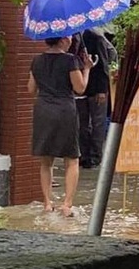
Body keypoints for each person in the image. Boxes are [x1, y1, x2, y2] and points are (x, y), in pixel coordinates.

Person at [27, 35, 94, 217]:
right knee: (71, 159)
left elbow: (31, 89)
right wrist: (87, 69)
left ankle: (48, 203)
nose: (71, 39)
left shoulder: (37, 60)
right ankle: (67, 204)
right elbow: (80, 88)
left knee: (46, 160)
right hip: (65, 110)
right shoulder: (70, 60)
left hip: (42, 110)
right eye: (69, 37)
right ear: (63, 40)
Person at [79, 27, 116, 169]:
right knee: (82, 123)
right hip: (80, 86)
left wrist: (102, 89)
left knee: (98, 123)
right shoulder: (73, 37)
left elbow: (104, 64)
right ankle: (84, 154)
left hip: (96, 86)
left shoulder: (95, 36)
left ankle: (95, 156)